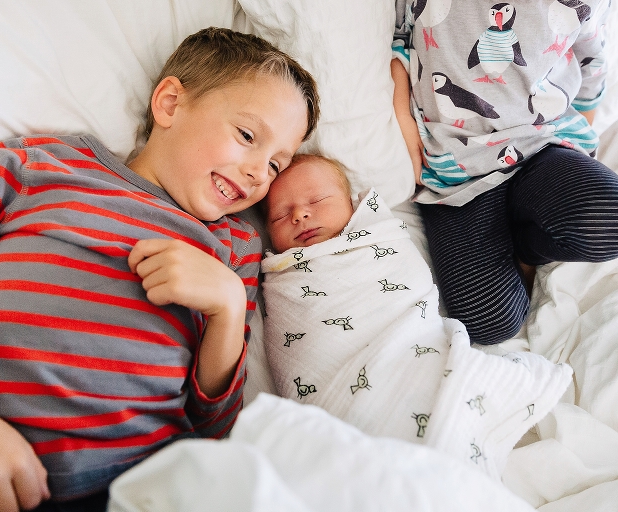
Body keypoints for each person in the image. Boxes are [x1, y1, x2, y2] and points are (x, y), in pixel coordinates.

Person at [0, 27, 320, 511]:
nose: (259, 173)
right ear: (171, 103)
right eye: (247, 136)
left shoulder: (233, 247)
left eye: (277, 166)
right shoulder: (42, 169)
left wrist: (225, 307)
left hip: (132, 492)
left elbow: (214, 428)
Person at [258, 154, 572, 475]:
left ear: (353, 206)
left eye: (317, 200)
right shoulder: (284, 279)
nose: (300, 214)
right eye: (280, 216)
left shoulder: (380, 239)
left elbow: (409, 289)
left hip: (411, 355)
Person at [391, 0, 618, 344]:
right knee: (489, 322)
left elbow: (592, 64)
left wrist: (578, 157)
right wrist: (404, 120)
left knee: (608, 219)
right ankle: (516, 235)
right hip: (458, 168)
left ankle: (527, 247)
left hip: (542, 143)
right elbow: (397, 38)